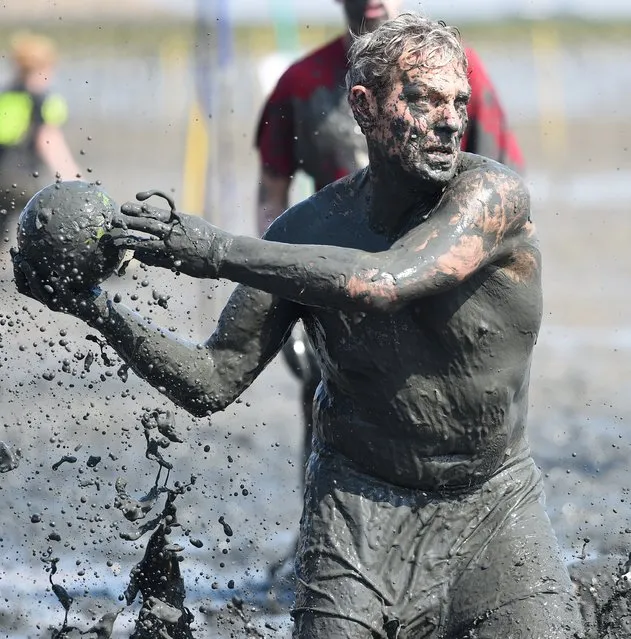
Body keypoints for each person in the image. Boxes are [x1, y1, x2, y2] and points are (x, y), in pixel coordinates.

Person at [14, 13, 584, 638]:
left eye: (458, 101)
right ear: (364, 108)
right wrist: (96, 308)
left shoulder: (492, 198)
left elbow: (387, 281)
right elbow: (214, 378)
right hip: (357, 507)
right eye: (422, 99)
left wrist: (217, 252)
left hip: (493, 504)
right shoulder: (307, 230)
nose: (448, 119)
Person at [255, 0, 525, 494]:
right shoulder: (301, 82)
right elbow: (272, 196)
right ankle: (316, 538)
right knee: (328, 412)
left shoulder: (454, 71)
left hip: (438, 280)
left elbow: (503, 180)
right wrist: (282, 299)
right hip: (335, 288)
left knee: (450, 418)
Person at [0, 31, 80, 245]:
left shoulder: (4, 97)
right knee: (44, 227)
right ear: (46, 68)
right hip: (24, 180)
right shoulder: (44, 101)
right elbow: (49, 141)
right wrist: (75, 180)